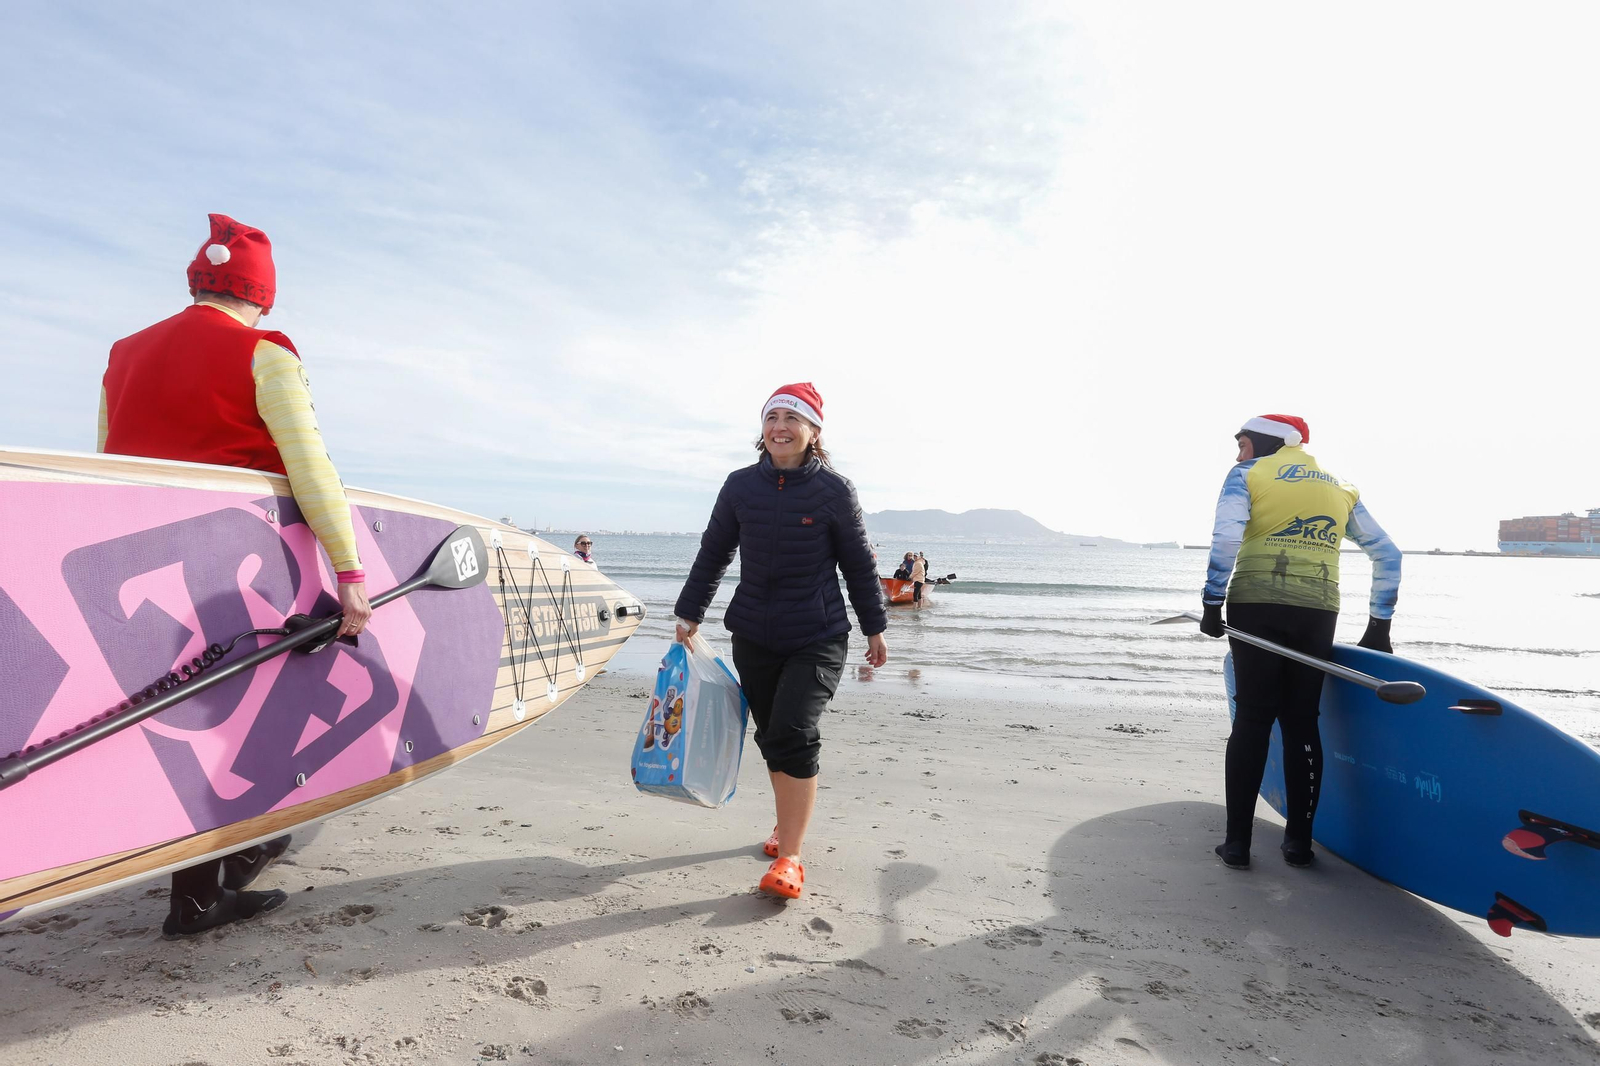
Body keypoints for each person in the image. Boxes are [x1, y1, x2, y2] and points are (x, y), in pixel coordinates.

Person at [99, 213, 371, 937]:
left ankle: (243, 851)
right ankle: (200, 895)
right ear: (261, 296)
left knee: (188, 719)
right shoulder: (266, 353)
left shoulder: (122, 355)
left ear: (197, 282)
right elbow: (310, 469)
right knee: (244, 719)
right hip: (232, 571)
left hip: (135, 567)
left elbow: (105, 468)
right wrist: (349, 570)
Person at [674, 383, 888, 899]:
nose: (780, 427)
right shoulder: (739, 486)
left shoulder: (835, 491)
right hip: (754, 633)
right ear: (762, 429)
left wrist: (874, 626)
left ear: (813, 432)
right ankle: (784, 827)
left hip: (817, 634)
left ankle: (791, 857)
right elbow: (714, 553)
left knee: (794, 730)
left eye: (793, 418)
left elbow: (859, 566)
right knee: (772, 736)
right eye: (772, 418)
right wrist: (689, 613)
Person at [1199, 414, 1400, 870]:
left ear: (1268, 442)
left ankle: (1236, 845)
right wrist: (1379, 626)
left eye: (1243, 444)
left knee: (1252, 717)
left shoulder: (1248, 475)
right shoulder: (1341, 486)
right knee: (1302, 722)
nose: (1238, 454)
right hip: (1318, 610)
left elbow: (1227, 537)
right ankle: (1299, 844)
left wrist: (1212, 604)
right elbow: (1388, 553)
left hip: (1255, 603)